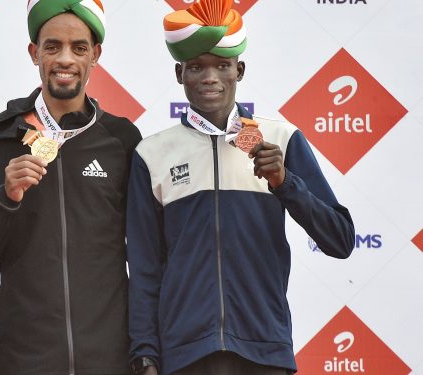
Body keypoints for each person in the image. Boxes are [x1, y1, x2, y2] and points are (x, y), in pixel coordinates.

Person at [126, 0, 355, 374]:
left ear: (240, 70)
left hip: (264, 350)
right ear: (179, 72)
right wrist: (145, 353)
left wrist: (286, 183)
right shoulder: (151, 154)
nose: (210, 77)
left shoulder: (281, 138)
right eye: (197, 67)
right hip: (185, 355)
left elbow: (340, 240)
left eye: (222, 65)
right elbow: (145, 269)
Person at [0, 1, 142, 374]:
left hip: (110, 359)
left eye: (78, 48)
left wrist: (146, 349)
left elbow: (147, 254)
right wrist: (7, 199)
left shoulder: (123, 140)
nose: (65, 59)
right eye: (52, 47)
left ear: (95, 55)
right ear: (35, 53)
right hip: (23, 360)